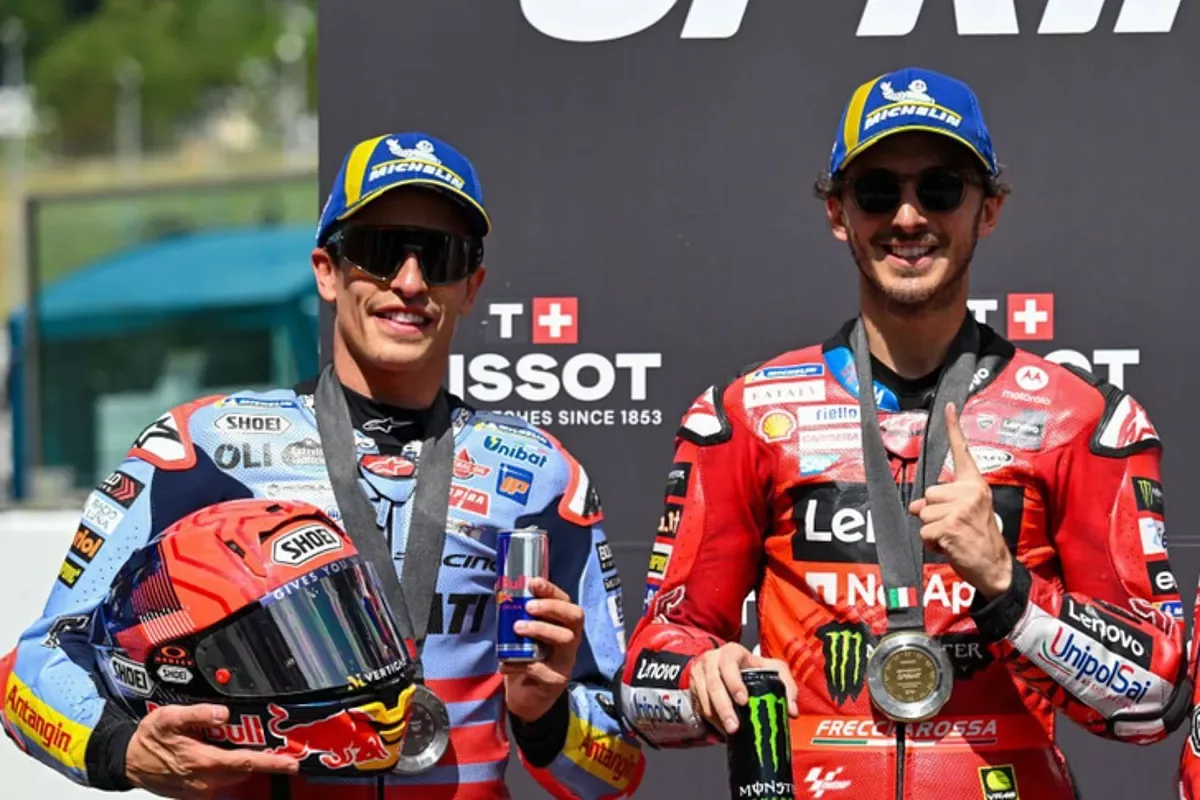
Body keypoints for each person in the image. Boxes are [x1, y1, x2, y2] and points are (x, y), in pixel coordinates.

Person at [0, 132, 644, 800]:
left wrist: (545, 718)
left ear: (471, 286)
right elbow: (31, 671)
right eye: (380, 251)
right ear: (327, 271)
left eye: (442, 257)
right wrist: (124, 749)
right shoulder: (201, 449)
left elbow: (619, 767)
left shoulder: (539, 475)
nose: (410, 282)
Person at [618, 67, 1189, 799]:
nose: (909, 216)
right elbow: (643, 680)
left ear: (988, 210)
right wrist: (701, 677)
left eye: (942, 188)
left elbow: (1153, 697)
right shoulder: (746, 415)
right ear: (838, 212)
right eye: (877, 191)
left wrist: (1009, 588)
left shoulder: (1083, 420)